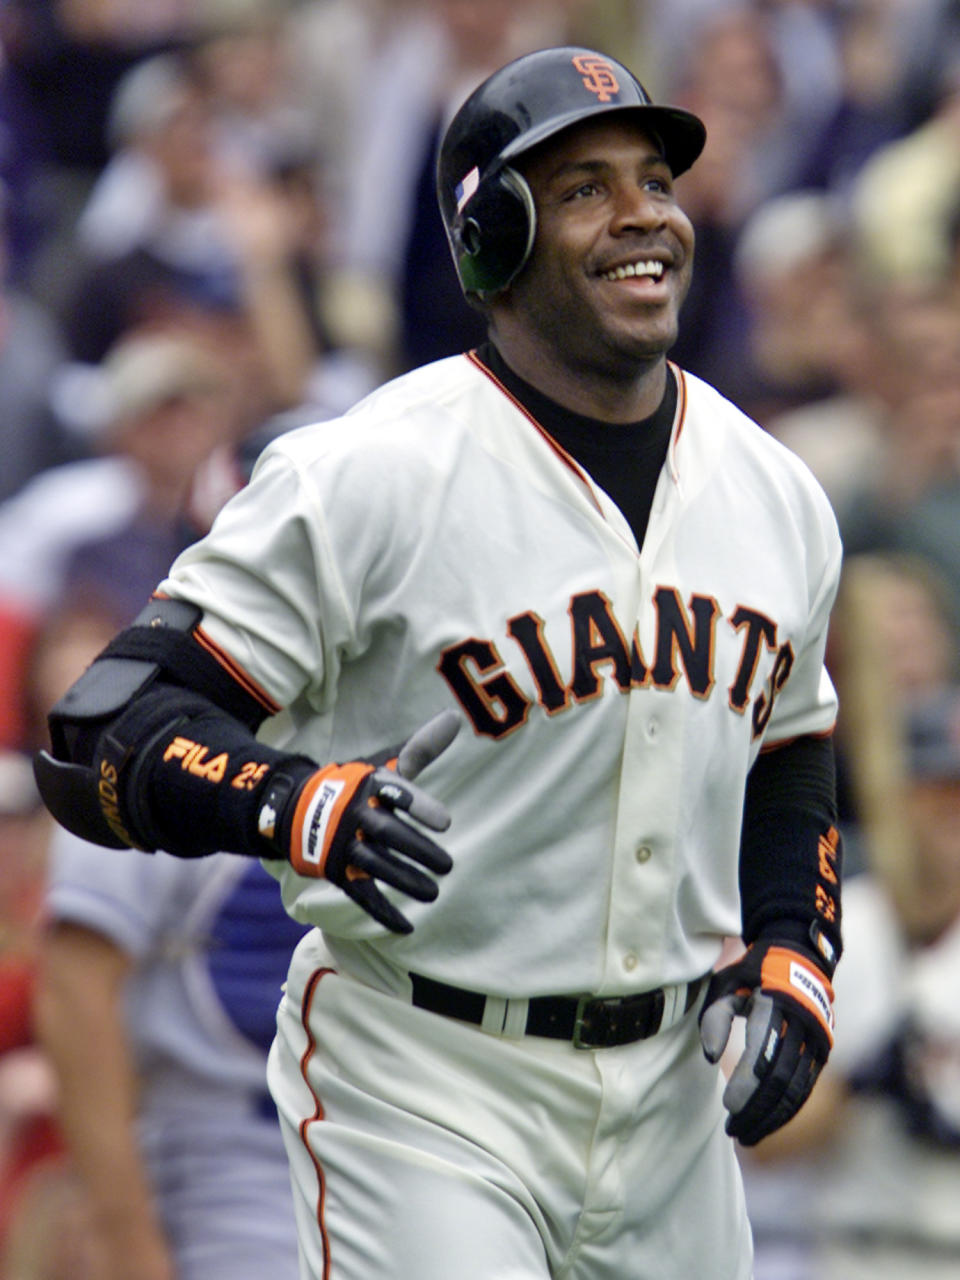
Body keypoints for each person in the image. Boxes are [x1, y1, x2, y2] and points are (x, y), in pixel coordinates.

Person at [32, 46, 845, 1280]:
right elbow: (99, 735)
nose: (643, 217)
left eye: (654, 181)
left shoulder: (778, 493)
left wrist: (795, 945)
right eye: (583, 189)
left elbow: (791, 747)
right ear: (492, 238)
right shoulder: (369, 471)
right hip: (423, 1072)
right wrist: (293, 801)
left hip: (672, 1097)